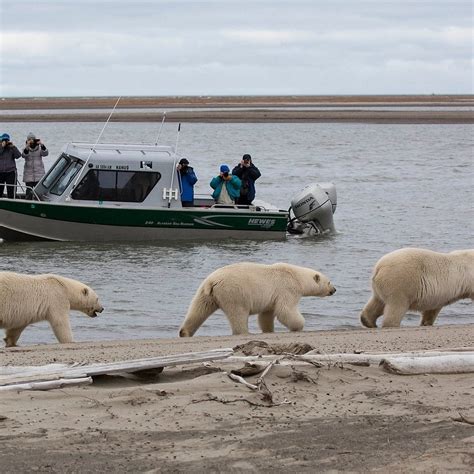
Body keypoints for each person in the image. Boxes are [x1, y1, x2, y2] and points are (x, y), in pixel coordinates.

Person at [21, 132, 49, 199]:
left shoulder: (39, 148)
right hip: (28, 175)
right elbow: (24, 155)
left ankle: (39, 206)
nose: (31, 141)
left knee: (39, 194)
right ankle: (27, 205)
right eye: (29, 139)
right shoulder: (25, 149)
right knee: (29, 193)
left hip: (39, 174)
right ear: (27, 140)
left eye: (32, 139)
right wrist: (27, 146)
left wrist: (42, 145)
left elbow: (45, 154)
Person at [0, 133, 21, 199]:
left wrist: (13, 147)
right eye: (4, 140)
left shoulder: (11, 148)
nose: (5, 142)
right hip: (0, 172)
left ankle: (12, 201)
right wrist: (2, 148)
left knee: (11, 191)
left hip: (11, 172)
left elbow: (18, 156)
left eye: (7, 140)